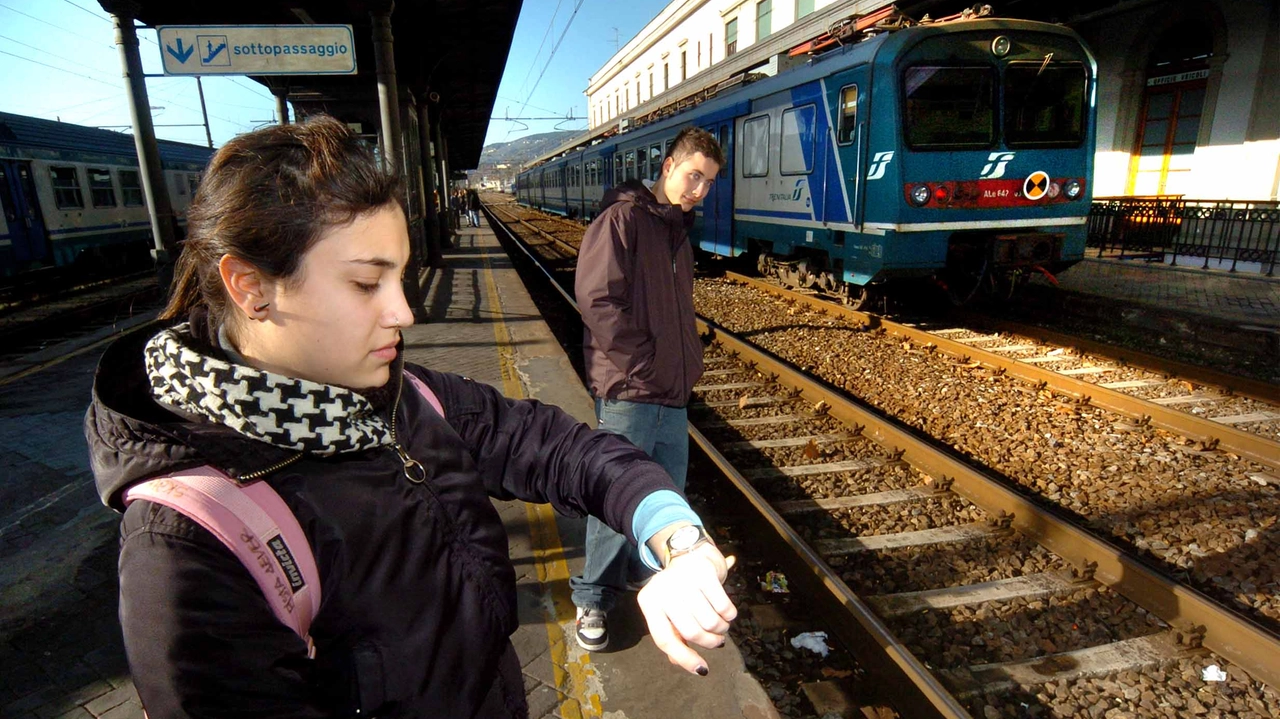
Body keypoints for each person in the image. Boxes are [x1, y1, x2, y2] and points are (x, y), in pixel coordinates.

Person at [84, 116, 735, 718]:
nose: (404, 312)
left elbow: (565, 448)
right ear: (250, 286)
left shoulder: (409, 397)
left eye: (399, 276)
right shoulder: (190, 548)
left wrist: (678, 540)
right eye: (367, 283)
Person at [571, 126, 725, 651]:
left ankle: (652, 588)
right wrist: (642, 366)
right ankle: (591, 598)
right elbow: (597, 300)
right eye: (692, 176)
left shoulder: (674, 229)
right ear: (668, 168)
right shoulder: (623, 220)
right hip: (631, 394)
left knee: (665, 502)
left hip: (671, 395)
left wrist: (686, 364)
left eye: (708, 181)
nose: (698, 188)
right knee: (616, 501)